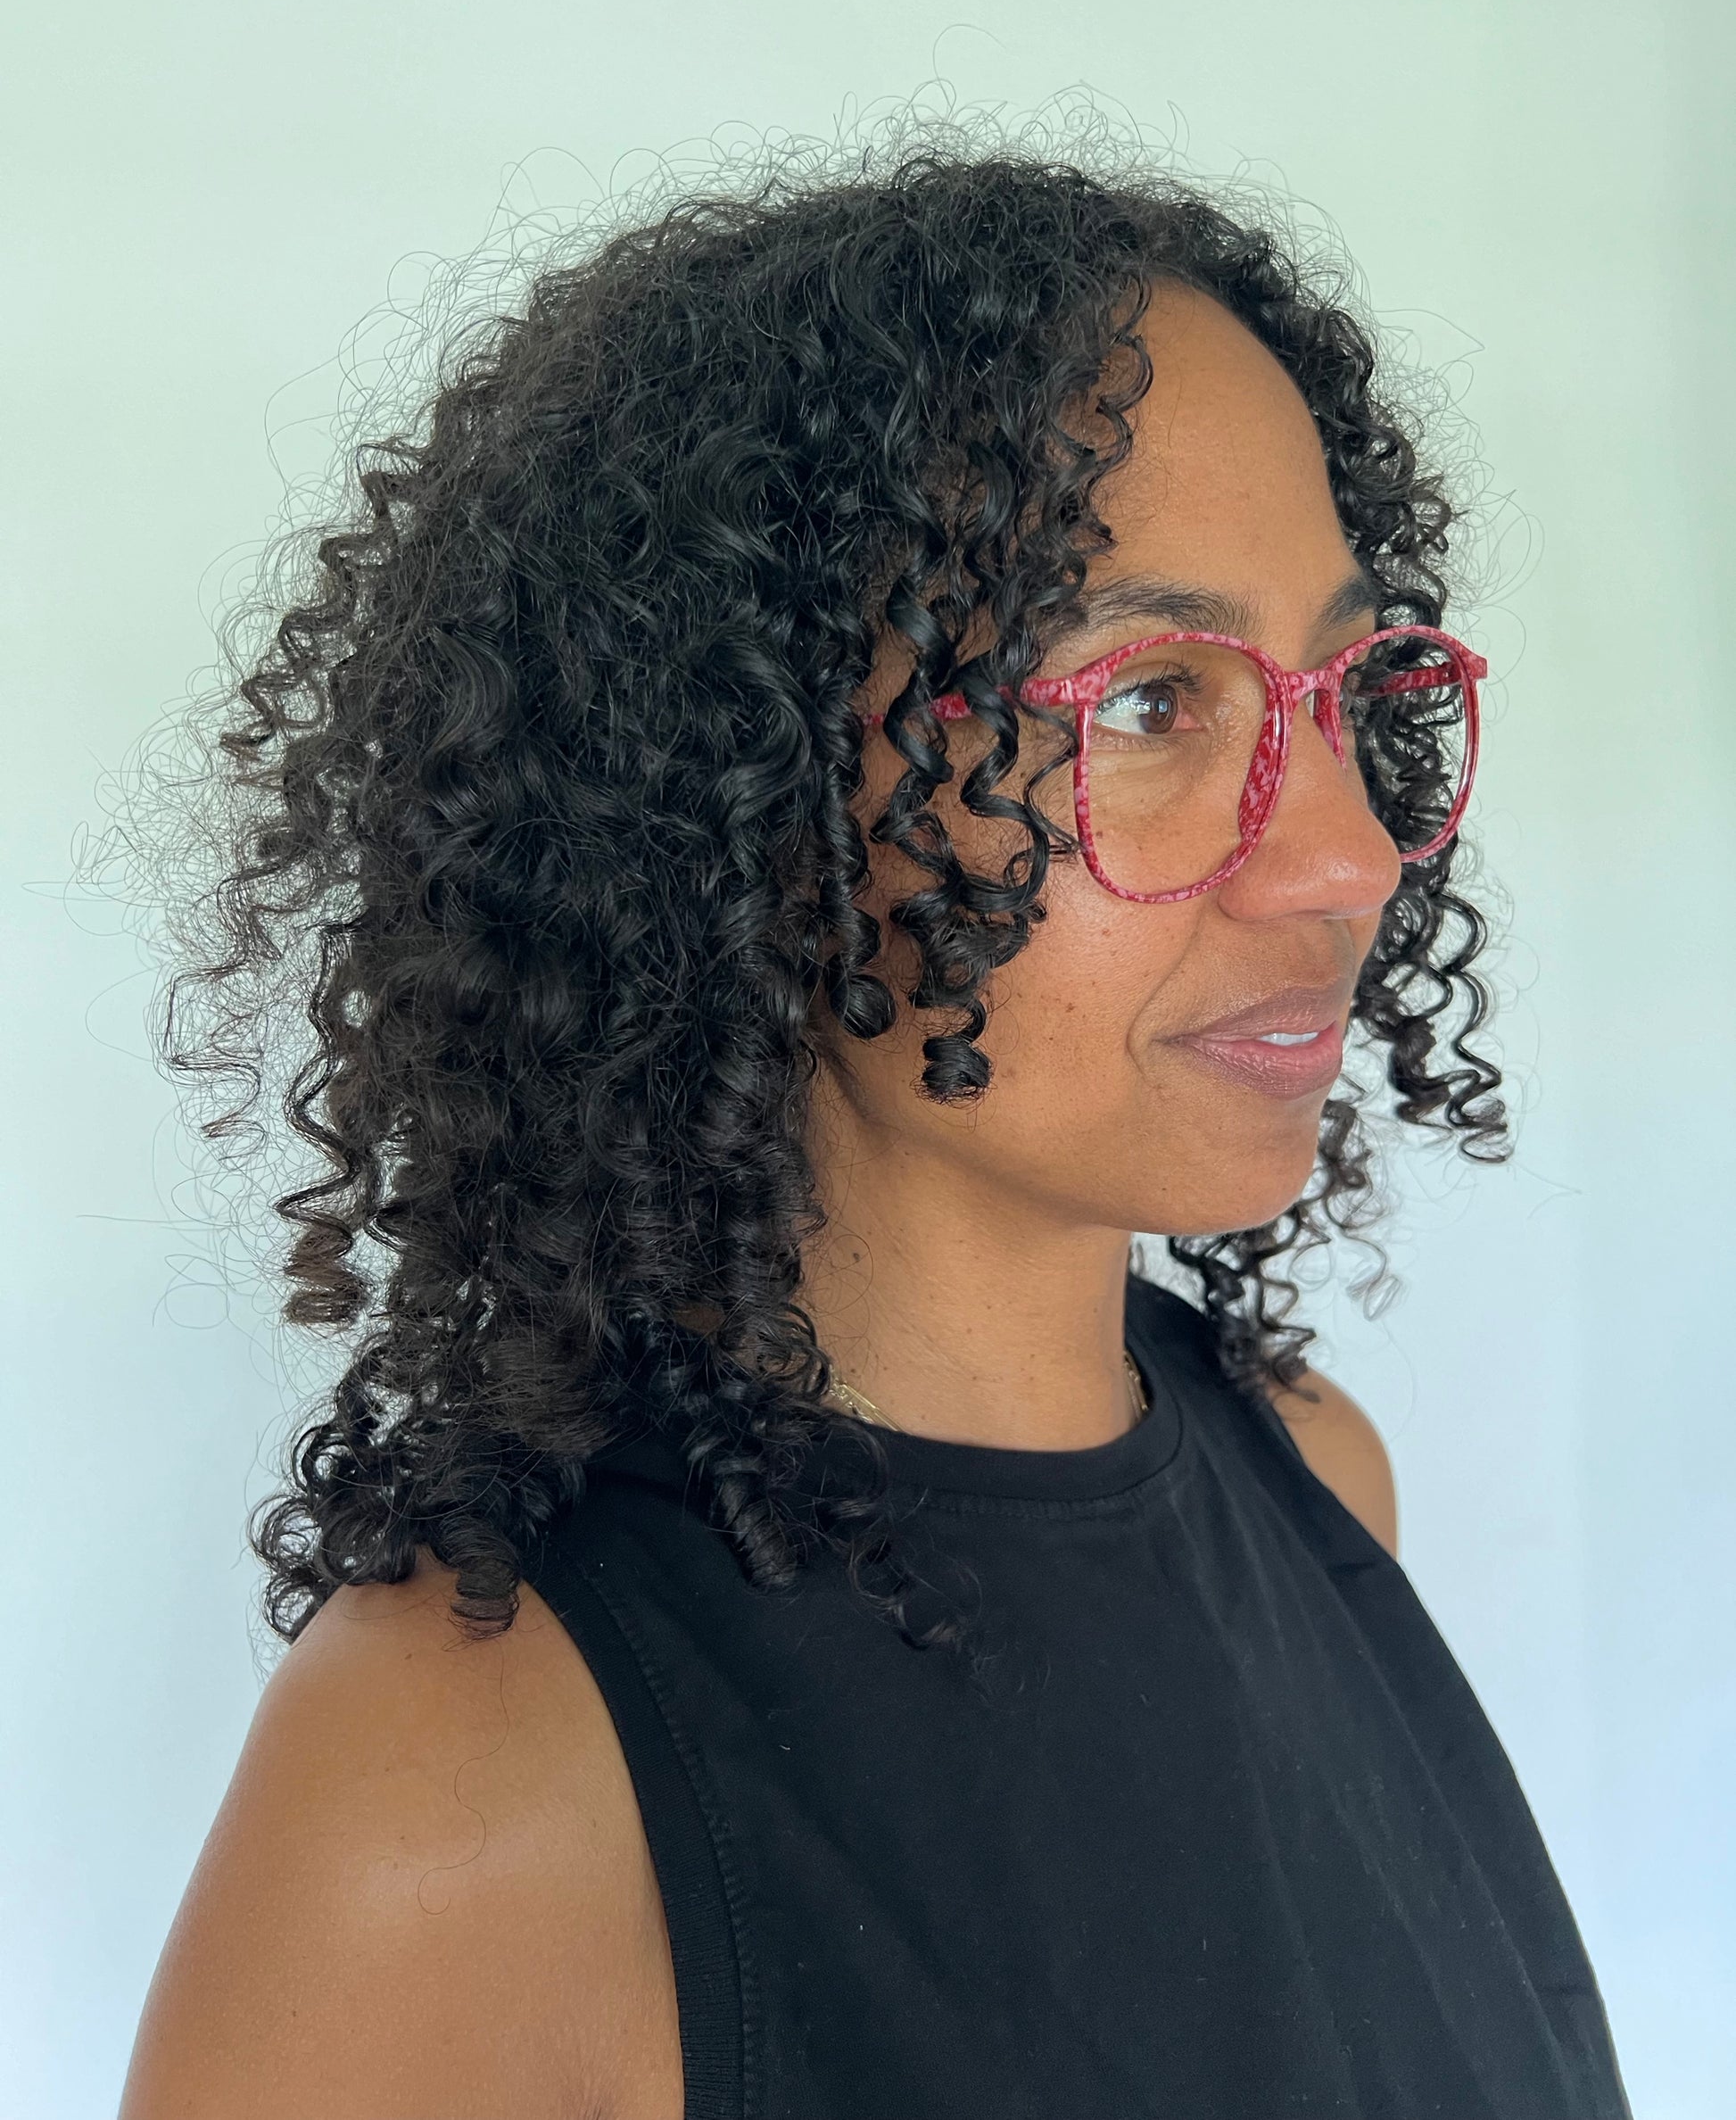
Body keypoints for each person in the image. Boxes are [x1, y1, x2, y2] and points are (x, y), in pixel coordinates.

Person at [120, 144, 1632, 2119]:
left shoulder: (1315, 1477)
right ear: (734, 798)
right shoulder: (469, 1782)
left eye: (1344, 687)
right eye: (1145, 703)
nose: (1346, 852)